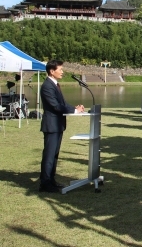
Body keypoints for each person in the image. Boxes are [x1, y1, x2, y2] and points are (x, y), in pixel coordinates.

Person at [39, 60, 85, 193]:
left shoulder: (55, 85)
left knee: (54, 155)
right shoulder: (47, 86)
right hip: (51, 125)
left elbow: (62, 103)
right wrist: (74, 112)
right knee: (49, 155)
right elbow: (55, 106)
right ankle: (45, 184)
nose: (62, 71)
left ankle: (51, 180)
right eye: (60, 69)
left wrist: (75, 108)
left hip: (58, 125)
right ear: (52, 71)